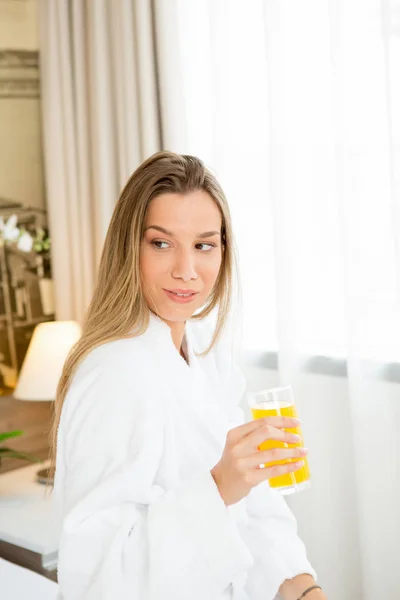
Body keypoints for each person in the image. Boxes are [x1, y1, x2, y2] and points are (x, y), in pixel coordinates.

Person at [50, 151, 327, 600]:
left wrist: (299, 586)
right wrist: (218, 487)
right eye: (161, 243)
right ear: (130, 247)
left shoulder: (205, 351)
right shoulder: (111, 374)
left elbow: (254, 507)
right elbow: (96, 576)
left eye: (203, 245)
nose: (186, 270)